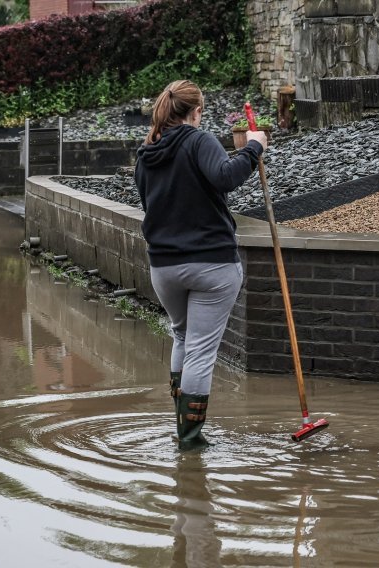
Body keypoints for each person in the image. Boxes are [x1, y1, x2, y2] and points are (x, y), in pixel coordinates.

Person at [134, 80, 268, 450]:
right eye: (202, 111)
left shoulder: (147, 153)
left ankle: (182, 422)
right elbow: (225, 177)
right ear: (195, 112)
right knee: (201, 350)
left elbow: (148, 201)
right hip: (211, 265)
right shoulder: (199, 140)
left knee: (181, 336)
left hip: (164, 267)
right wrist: (255, 147)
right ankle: (190, 440)